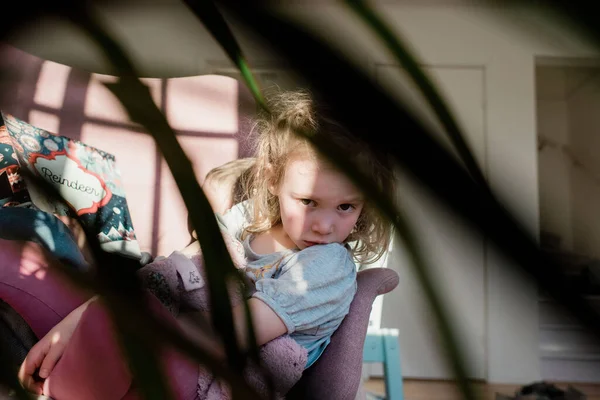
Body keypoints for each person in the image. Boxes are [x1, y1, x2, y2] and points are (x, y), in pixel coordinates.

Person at [18, 88, 395, 394]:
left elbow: (228, 336)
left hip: (214, 382)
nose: (325, 226)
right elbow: (171, 273)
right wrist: (75, 322)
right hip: (169, 349)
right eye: (308, 201)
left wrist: (119, 321)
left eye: (346, 206)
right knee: (28, 265)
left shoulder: (328, 266)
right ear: (272, 179)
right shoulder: (246, 220)